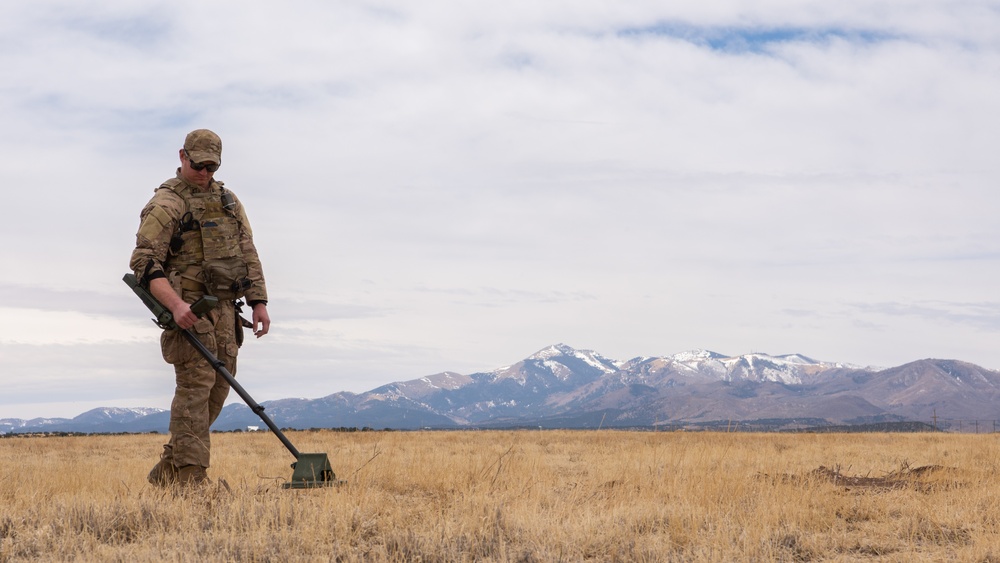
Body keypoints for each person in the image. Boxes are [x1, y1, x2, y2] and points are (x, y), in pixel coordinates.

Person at [129, 129, 270, 486]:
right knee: (195, 390)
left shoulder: (228, 201)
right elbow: (144, 263)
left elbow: (247, 252)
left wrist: (259, 302)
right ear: (182, 156)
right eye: (198, 165)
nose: (205, 173)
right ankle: (191, 480)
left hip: (226, 313)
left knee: (217, 392)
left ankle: (168, 471)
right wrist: (176, 306)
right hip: (191, 313)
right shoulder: (167, 203)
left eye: (212, 166)